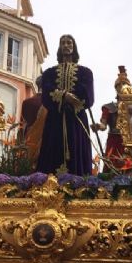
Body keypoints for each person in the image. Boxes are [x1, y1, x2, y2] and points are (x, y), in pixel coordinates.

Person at [36, 35, 94, 176]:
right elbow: (46, 94)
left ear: (74, 47)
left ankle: (80, 186)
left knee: (76, 149)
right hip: (55, 119)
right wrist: (63, 96)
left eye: (69, 43)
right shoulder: (49, 73)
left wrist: (73, 100)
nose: (66, 45)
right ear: (59, 47)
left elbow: (88, 95)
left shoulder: (85, 72)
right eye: (63, 43)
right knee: (53, 149)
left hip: (76, 119)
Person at [91, 66, 131, 171]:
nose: (122, 87)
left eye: (125, 84)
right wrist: (98, 126)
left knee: (130, 167)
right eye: (119, 85)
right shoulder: (109, 107)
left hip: (129, 142)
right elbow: (104, 125)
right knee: (110, 166)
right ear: (116, 88)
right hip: (114, 140)